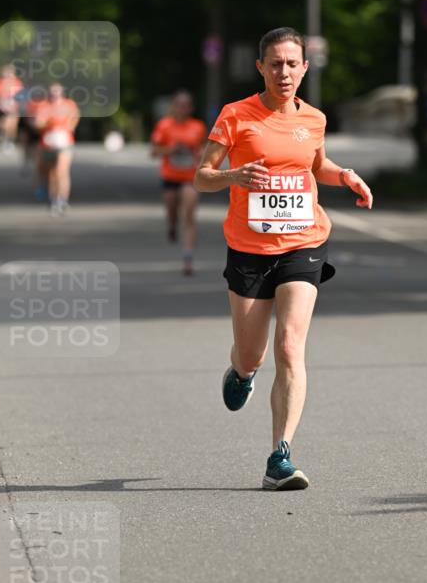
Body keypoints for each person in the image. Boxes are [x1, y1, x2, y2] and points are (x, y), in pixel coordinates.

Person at [195, 27, 373, 490]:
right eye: (275, 63)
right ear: (261, 68)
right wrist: (233, 175)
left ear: (305, 68)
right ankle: (241, 372)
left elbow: (317, 167)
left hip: (303, 242)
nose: (284, 72)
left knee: (291, 346)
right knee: (252, 353)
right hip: (249, 249)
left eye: (293, 63)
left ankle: (280, 456)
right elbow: (202, 176)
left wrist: (347, 176)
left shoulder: (314, 119)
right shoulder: (236, 116)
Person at [151, 90, 207, 275]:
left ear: (191, 108)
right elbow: (154, 152)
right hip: (170, 176)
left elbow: (204, 150)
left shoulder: (198, 127)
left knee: (189, 215)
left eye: (186, 105)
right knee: (172, 209)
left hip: (190, 178)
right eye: (179, 105)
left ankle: (188, 256)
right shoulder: (164, 125)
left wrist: (201, 156)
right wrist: (170, 150)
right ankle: (172, 226)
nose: (182, 109)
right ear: (173, 107)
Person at [34, 82, 80, 215]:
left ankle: (62, 199)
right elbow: (38, 123)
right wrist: (44, 123)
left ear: (62, 92)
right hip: (48, 143)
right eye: (52, 92)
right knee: (52, 174)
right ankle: (53, 198)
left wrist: (70, 126)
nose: (55, 95)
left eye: (57, 92)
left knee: (62, 171)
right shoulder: (44, 106)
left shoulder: (69, 104)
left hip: (65, 142)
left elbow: (75, 115)